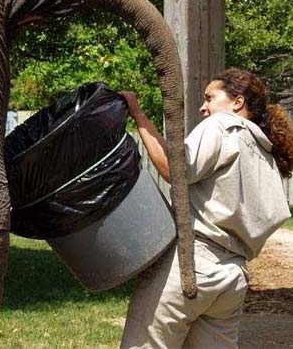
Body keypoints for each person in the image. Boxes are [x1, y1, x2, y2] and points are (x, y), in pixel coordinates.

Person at [118, 68, 293, 349]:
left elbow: (175, 168)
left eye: (210, 98)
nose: (203, 107)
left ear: (237, 102)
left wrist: (138, 114)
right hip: (233, 279)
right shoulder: (266, 155)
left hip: (193, 266)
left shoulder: (224, 125)